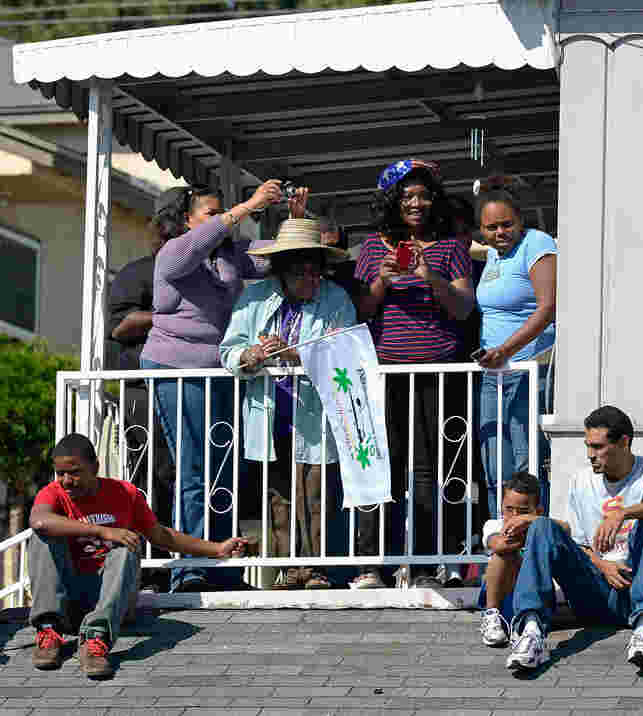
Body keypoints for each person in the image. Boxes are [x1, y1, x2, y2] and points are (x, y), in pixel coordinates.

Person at [140, 180, 284, 592]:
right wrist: (248, 206)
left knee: (223, 471)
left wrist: (293, 219)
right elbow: (195, 247)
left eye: (223, 212)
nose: (223, 219)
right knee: (194, 470)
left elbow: (278, 258)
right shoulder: (173, 252)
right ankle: (191, 568)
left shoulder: (230, 254)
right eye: (211, 213)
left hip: (221, 370)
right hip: (176, 368)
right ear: (187, 219)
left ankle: (223, 565)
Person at [29, 433, 247, 679]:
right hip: (69, 602)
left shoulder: (124, 493)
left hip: (112, 602)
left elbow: (161, 535)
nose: (66, 481)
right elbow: (39, 520)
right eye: (60, 473)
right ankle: (49, 630)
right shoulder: (53, 493)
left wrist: (216, 549)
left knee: (127, 545)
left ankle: (96, 639)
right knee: (41, 536)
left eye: (75, 472)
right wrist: (103, 531)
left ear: (96, 467)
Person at [353, 158, 474, 588]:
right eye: (407, 196)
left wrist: (429, 276)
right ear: (393, 201)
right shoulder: (372, 248)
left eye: (423, 195)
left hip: (436, 373)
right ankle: (373, 566)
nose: (416, 203)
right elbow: (361, 310)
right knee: (381, 467)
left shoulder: (451, 247)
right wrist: (382, 282)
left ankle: (422, 565)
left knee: (427, 471)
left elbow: (463, 308)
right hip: (384, 372)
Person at [220, 209, 356, 589]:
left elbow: (347, 349)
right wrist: (249, 356)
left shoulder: (336, 298)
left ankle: (315, 569)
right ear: (281, 270)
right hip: (269, 410)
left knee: (315, 492)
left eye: (315, 271)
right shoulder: (255, 297)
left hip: (316, 413)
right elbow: (229, 349)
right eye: (299, 272)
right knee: (277, 496)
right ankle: (286, 570)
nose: (309, 279)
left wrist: (297, 354)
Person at [503, 406, 643, 672]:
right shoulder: (581, 481)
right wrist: (602, 565)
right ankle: (531, 633)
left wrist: (623, 513)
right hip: (597, 593)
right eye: (588, 446)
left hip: (641, 589)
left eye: (597, 447)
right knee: (542, 525)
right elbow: (576, 543)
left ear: (624, 442)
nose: (590, 455)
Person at [474, 175, 556, 518]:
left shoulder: (537, 243)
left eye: (507, 224)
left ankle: (533, 535)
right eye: (491, 227)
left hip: (529, 369)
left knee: (527, 463)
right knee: (494, 463)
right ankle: (502, 533)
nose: (500, 233)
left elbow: (548, 307)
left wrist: (505, 350)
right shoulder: (493, 256)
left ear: (521, 220)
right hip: (494, 375)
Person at [107, 231, 176, 591]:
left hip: (196, 389)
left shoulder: (208, 275)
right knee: (150, 478)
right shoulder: (138, 273)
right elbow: (118, 327)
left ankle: (199, 567)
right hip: (143, 391)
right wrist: (169, 316)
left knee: (196, 479)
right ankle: (151, 569)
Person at [477, 471, 570, 647]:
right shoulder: (494, 525)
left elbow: (566, 529)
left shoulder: (541, 528)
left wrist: (532, 522)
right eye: (509, 509)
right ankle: (492, 615)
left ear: (538, 511)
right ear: (501, 506)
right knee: (504, 554)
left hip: (536, 599)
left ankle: (525, 625)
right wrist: (523, 534)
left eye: (523, 512)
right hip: (503, 598)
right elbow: (498, 545)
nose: (515, 516)